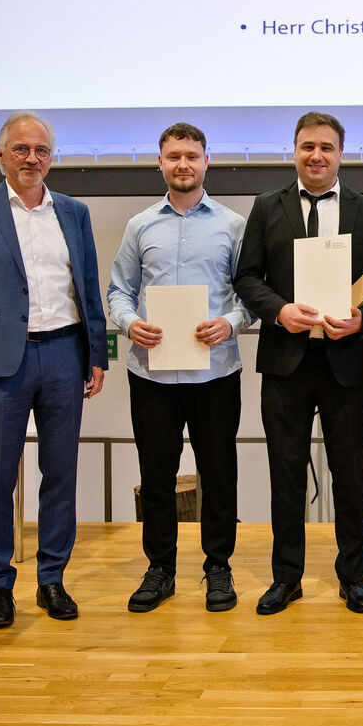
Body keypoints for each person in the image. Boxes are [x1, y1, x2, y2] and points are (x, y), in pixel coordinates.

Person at [0, 111, 108, 629]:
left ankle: (52, 579)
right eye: (20, 149)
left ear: (51, 157)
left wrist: (97, 354)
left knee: (60, 474)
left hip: (63, 355)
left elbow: (87, 285)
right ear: (1, 156)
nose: (31, 158)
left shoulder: (74, 213)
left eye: (40, 150)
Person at [234, 111, 363, 615]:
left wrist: (361, 320)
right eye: (307, 146)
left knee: (349, 475)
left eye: (326, 146)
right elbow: (247, 277)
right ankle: (287, 578)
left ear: (341, 153)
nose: (316, 155)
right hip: (285, 362)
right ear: (294, 151)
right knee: (286, 475)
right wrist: (279, 311)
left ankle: (353, 577)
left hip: (345, 360)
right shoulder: (265, 206)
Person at [106, 123, 252, 614]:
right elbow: (118, 292)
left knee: (218, 473)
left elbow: (251, 297)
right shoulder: (139, 226)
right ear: (160, 163)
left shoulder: (233, 225)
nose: (182, 164)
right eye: (173, 157)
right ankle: (160, 569)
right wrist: (130, 324)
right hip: (152, 375)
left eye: (191, 156)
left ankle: (218, 568)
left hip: (215, 373)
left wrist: (230, 325)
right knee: (157, 476)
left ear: (207, 161)